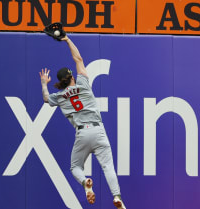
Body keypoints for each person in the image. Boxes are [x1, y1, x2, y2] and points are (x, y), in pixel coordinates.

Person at [39, 35, 126, 209]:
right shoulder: (83, 83)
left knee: (75, 167)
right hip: (98, 130)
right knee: (108, 166)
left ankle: (86, 182)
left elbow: (46, 99)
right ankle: (116, 197)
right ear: (72, 76)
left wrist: (44, 84)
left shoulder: (61, 96)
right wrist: (67, 39)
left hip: (82, 133)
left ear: (61, 82)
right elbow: (78, 58)